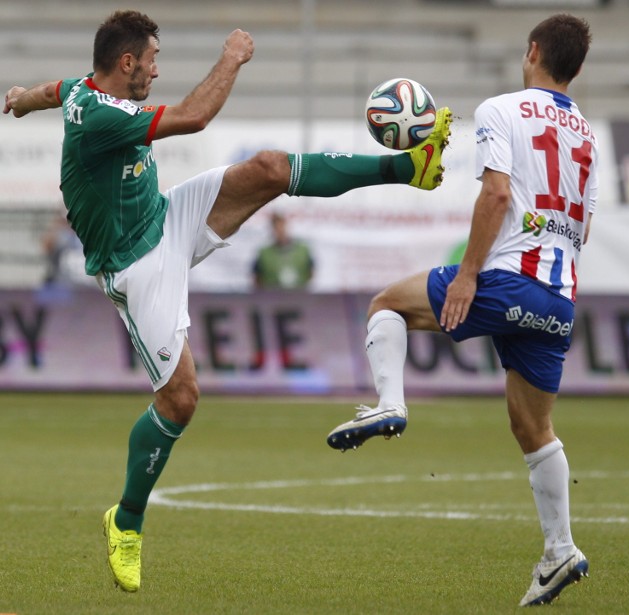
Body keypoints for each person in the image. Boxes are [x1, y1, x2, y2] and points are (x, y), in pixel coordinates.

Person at [3, 10, 452, 593]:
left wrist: (19, 97)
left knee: (267, 168)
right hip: (134, 265)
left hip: (164, 217)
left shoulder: (81, 92)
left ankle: (407, 167)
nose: (158, 72)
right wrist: (232, 56)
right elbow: (194, 117)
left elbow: (52, 90)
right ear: (127, 63)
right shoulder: (99, 117)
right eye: (154, 61)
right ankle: (127, 521)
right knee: (181, 398)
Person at [327, 13, 595, 608]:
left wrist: (469, 275)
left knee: (385, 305)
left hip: (508, 279)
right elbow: (584, 223)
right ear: (576, 67)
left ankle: (391, 405)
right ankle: (559, 552)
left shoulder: (503, 108)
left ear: (532, 51)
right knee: (534, 429)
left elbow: (497, 192)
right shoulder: (587, 134)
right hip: (558, 295)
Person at [252, 211, 314, 290]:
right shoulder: (264, 253)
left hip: (299, 297)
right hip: (272, 298)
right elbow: (257, 278)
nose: (280, 231)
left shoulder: (303, 250)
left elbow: (311, 273)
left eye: (282, 227)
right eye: (276, 228)